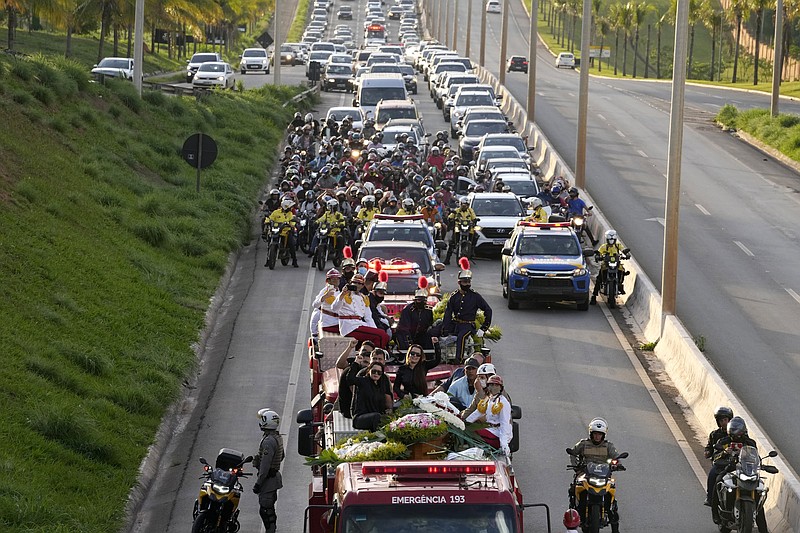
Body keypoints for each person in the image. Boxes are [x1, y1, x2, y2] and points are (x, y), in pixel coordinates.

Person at [710, 416, 768, 530]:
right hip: (729, 468)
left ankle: (763, 529)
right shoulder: (723, 441)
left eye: (739, 432)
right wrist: (726, 453)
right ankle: (715, 513)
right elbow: (715, 457)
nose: (736, 435)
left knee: (758, 493)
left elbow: (756, 457)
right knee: (717, 481)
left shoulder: (750, 442)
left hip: (746, 471)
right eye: (734, 432)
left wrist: (760, 464)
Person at [570, 418, 620, 532]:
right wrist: (576, 467)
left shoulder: (609, 446)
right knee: (575, 488)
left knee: (612, 494)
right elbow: (573, 453)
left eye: (600, 434)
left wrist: (617, 465)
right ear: (591, 433)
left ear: (604, 435)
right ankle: (575, 510)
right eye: (595, 434)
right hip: (586, 474)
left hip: (603, 475)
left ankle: (614, 523)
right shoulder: (583, 444)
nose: (597, 437)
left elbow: (616, 458)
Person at [441, 261, 492, 362]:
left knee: (462, 337)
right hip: (456, 323)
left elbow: (488, 310)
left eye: (469, 282)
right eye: (465, 282)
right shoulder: (454, 296)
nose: (467, 284)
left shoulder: (475, 296)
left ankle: (458, 360)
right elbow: (448, 313)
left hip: (468, 325)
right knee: (435, 331)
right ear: (459, 283)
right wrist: (444, 328)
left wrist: (483, 328)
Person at [332, 274, 390, 348]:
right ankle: (377, 354)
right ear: (350, 283)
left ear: (363, 286)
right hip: (349, 326)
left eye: (360, 283)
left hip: (359, 324)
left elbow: (368, 317)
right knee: (381, 335)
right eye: (355, 282)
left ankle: (372, 354)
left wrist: (374, 330)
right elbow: (334, 308)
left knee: (382, 335)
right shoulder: (344, 295)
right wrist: (342, 295)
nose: (357, 285)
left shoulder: (364, 298)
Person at [253, 409, 285, 533]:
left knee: (266, 510)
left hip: (268, 480)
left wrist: (258, 483)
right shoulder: (277, 437)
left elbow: (265, 467)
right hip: (273, 478)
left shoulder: (268, 441)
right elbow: (281, 455)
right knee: (269, 508)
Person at [465, 375, 512, 456]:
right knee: (466, 429)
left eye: (496, 385)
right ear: (488, 386)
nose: (494, 387)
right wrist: (464, 423)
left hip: (498, 435)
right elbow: (477, 413)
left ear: (501, 388)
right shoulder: (488, 399)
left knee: (472, 432)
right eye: (491, 385)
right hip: (490, 429)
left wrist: (504, 445)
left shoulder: (503, 403)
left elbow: (504, 424)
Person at [350, 361, 392, 430]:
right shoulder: (363, 381)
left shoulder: (381, 386)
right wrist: (356, 363)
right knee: (377, 416)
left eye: (379, 372)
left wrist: (389, 410)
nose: (376, 374)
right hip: (360, 418)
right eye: (374, 371)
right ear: (369, 371)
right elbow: (350, 379)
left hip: (375, 417)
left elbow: (388, 398)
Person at [704, 406, 733, 507]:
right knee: (712, 475)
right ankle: (710, 498)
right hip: (720, 464)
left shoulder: (737, 433)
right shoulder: (715, 435)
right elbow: (709, 449)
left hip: (735, 464)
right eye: (721, 421)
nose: (724, 423)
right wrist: (708, 452)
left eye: (726, 420)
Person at [590, 230, 628, 305]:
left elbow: (623, 250)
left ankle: (620, 285)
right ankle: (594, 296)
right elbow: (599, 252)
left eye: (612, 240)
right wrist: (598, 256)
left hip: (616, 264)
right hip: (606, 265)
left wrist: (626, 254)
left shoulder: (618, 245)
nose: (611, 241)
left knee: (622, 271)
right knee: (599, 279)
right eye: (610, 240)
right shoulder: (603, 246)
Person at [395, 281, 435, 350]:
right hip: (407, 335)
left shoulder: (428, 311)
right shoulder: (408, 310)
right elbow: (404, 328)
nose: (421, 302)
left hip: (421, 337)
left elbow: (428, 325)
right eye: (419, 300)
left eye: (423, 301)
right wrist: (409, 344)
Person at [336, 343, 372, 418]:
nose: (366, 366)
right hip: (352, 412)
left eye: (369, 364)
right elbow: (356, 394)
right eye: (365, 362)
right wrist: (350, 347)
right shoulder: (351, 371)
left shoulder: (370, 372)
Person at [310, 199, 346, 267]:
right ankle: (314, 261)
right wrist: (316, 222)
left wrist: (341, 224)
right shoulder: (326, 214)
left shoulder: (339, 215)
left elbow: (342, 222)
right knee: (319, 243)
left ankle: (340, 254)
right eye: (330, 206)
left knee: (340, 238)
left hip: (335, 231)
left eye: (333, 206)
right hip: (327, 231)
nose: (331, 208)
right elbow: (321, 219)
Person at [265, 198, 299, 267]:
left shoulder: (290, 213)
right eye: (289, 207)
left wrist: (292, 225)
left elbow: (292, 220)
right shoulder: (276, 212)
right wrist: (267, 221)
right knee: (269, 244)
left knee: (291, 244)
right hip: (276, 231)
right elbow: (270, 218)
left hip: (286, 232)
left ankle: (294, 261)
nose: (291, 208)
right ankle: (268, 260)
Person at [444, 197, 477, 265]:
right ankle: (447, 259)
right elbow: (450, 216)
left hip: (468, 228)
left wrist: (474, 220)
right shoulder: (457, 210)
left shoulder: (470, 211)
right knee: (452, 243)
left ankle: (472, 250)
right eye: (463, 204)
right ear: (460, 204)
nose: (465, 206)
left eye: (466, 205)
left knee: (475, 235)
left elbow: (474, 217)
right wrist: (451, 219)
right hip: (458, 228)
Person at [312, 269, 342, 335]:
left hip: (339, 322)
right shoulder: (325, 291)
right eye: (333, 279)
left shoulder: (340, 292)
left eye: (337, 279)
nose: (336, 281)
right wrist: (324, 297)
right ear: (328, 281)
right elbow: (315, 305)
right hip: (329, 323)